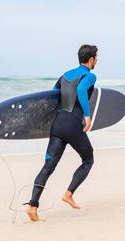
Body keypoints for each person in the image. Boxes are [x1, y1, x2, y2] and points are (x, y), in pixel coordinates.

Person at [25, 44, 98, 221]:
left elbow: (53, 96)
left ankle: (33, 206)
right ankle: (68, 194)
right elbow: (81, 90)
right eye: (96, 58)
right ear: (91, 59)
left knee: (48, 167)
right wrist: (87, 116)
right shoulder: (90, 75)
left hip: (57, 125)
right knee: (88, 160)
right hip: (73, 125)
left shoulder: (64, 75)